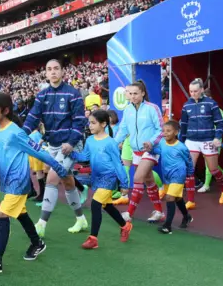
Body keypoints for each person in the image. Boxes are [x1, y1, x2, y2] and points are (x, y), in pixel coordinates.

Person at [0, 93, 70, 273]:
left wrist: (59, 169)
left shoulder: (16, 132)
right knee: (21, 213)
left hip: (18, 182)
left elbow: (40, 153)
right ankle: (37, 243)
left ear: (5, 110)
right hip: (8, 182)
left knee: (3, 215)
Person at [23, 59, 89, 238]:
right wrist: (21, 136)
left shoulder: (73, 94)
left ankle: (41, 225)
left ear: (62, 71)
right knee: (67, 181)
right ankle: (81, 220)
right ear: (45, 73)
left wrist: (70, 142)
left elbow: (79, 121)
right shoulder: (42, 95)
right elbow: (32, 118)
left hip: (69, 144)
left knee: (52, 178)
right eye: (49, 69)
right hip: (52, 144)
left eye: (56, 69)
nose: (53, 72)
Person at [71, 110, 133, 249]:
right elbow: (84, 157)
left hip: (109, 178)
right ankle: (125, 226)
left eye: (93, 123)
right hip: (96, 177)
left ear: (104, 124)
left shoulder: (111, 143)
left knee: (95, 204)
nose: (90, 126)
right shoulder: (90, 140)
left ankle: (93, 239)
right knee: (107, 205)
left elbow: (118, 164)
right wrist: (72, 153)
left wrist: (124, 183)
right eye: (89, 123)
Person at [114, 80, 165, 223]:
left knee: (137, 178)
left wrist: (151, 142)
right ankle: (159, 212)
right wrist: (112, 144)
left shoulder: (152, 108)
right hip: (135, 151)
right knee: (149, 181)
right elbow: (122, 130)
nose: (133, 96)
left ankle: (129, 213)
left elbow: (160, 129)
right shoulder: (127, 110)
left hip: (151, 150)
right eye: (130, 93)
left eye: (136, 93)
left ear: (143, 93)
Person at [179, 79, 223, 209]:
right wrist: (180, 142)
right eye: (191, 91)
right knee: (189, 171)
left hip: (208, 140)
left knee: (213, 170)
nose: (193, 93)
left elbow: (220, 123)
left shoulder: (211, 103)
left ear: (201, 90)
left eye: (195, 91)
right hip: (191, 141)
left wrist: (217, 137)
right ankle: (190, 201)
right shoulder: (186, 105)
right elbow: (183, 125)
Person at [148, 121, 194, 234]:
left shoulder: (181, 147)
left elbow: (189, 161)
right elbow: (157, 150)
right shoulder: (162, 143)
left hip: (178, 176)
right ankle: (186, 216)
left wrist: (189, 174)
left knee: (169, 197)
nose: (165, 133)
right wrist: (150, 149)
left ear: (176, 132)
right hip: (167, 176)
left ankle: (167, 226)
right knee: (177, 199)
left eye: (168, 131)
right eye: (163, 131)